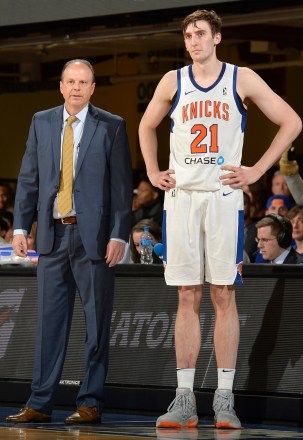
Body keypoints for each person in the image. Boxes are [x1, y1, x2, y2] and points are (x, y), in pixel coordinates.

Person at [138, 9, 302, 430]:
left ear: (217, 38)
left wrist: (257, 170)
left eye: (200, 34)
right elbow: (146, 126)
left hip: (223, 197)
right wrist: (153, 171)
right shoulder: (172, 80)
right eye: (188, 35)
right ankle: (185, 398)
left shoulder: (240, 77)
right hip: (181, 199)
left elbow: (291, 121)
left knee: (223, 295)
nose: (193, 41)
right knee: (186, 295)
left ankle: (225, 399)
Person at [5, 59, 133, 424]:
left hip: (93, 239)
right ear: (61, 86)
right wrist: (19, 228)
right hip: (51, 235)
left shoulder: (112, 126)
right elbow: (28, 179)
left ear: (93, 88)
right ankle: (40, 402)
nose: (77, 87)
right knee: (48, 324)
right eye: (71, 81)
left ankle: (90, 402)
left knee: (96, 323)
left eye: (84, 82)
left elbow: (122, 189)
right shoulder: (41, 121)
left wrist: (118, 234)